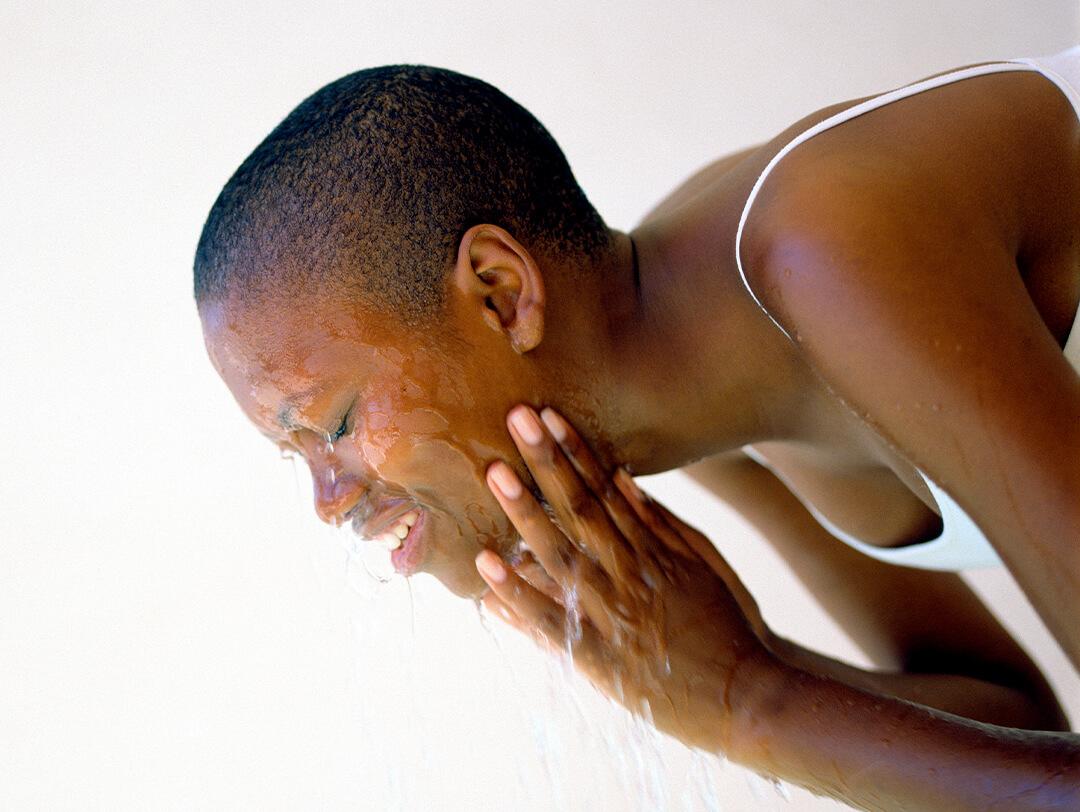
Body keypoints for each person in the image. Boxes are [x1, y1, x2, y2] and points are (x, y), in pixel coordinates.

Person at [194, 48, 1080, 808]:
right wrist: (739, 665)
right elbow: (1014, 727)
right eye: (297, 457)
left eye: (336, 424)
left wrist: (754, 703)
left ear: (502, 294)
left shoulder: (823, 254)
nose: (328, 499)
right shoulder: (695, 403)